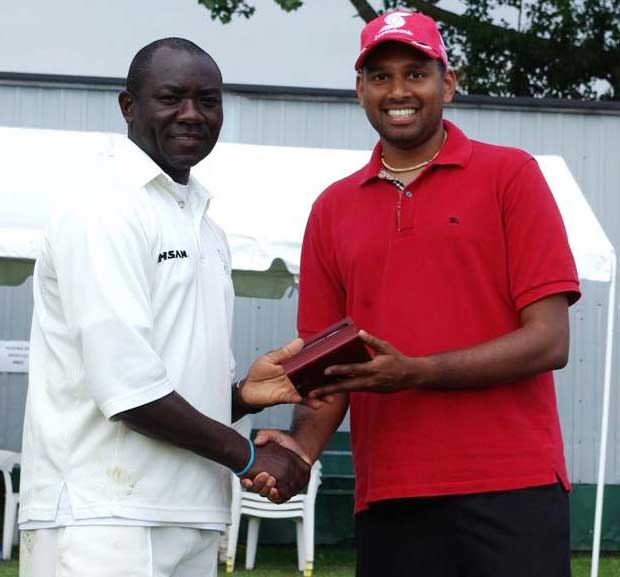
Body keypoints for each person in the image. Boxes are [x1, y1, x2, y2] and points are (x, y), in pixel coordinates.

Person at [251, 10, 581, 577]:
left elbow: (549, 342)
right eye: (380, 76)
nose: (398, 91)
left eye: (415, 73)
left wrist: (416, 371)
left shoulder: (511, 176)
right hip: (391, 494)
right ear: (360, 92)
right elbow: (328, 369)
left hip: (512, 486)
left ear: (446, 82)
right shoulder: (333, 209)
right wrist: (300, 450)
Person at [18, 38, 311, 577]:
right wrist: (248, 456)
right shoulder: (103, 208)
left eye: (209, 100)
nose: (192, 115)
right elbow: (128, 391)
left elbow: (167, 381)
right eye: (172, 97)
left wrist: (242, 396)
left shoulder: (203, 222)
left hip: (189, 510)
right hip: (103, 520)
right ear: (129, 106)